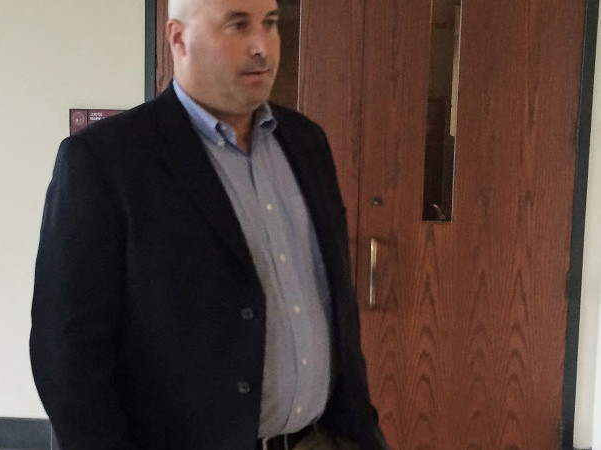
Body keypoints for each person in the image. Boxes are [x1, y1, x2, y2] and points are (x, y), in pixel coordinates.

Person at [30, 0, 387, 448]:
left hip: (321, 440)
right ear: (178, 38)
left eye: (270, 23)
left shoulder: (306, 141)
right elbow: (66, 353)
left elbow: (333, 303)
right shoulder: (106, 162)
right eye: (238, 25)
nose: (262, 46)